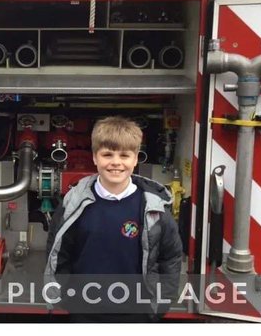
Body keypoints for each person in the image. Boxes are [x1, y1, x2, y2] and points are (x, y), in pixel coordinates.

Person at [44, 116, 182, 321]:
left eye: (124, 155)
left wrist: (161, 302)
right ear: (94, 157)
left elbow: (170, 257)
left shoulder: (153, 208)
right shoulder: (73, 204)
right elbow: (58, 252)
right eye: (107, 154)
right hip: (84, 310)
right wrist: (64, 295)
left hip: (137, 312)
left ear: (135, 159)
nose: (116, 162)